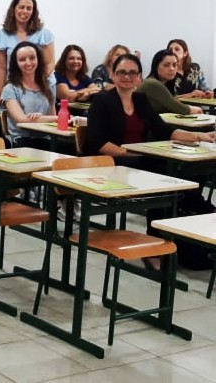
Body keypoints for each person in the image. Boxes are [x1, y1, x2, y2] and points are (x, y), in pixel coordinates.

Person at [85, 53, 215, 257]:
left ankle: (175, 234)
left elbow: (164, 130)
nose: (127, 77)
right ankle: (165, 238)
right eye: (122, 72)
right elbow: (97, 143)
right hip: (112, 162)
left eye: (132, 73)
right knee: (168, 178)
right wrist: (132, 152)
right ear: (112, 74)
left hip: (140, 159)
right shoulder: (102, 101)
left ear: (139, 77)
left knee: (181, 177)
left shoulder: (141, 99)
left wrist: (198, 135)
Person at [1, 42, 57, 148]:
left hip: (46, 140)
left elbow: (53, 118)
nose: (28, 63)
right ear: (16, 63)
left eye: (32, 58)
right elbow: (21, 119)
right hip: (21, 141)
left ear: (38, 60)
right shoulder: (10, 88)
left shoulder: (48, 87)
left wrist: (41, 118)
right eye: (22, 59)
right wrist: (53, 119)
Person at [0, 0, 55, 90]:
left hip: (43, 87)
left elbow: (50, 63)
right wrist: (2, 92)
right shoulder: (2, 35)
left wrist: (35, 83)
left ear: (33, 12)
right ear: (14, 9)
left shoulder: (44, 33)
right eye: (21, 7)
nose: (25, 11)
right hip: (15, 87)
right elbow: (1, 67)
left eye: (29, 8)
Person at [136, 50, 203, 116]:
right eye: (166, 65)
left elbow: (170, 100)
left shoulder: (160, 83)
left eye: (174, 65)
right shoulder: (152, 83)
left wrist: (188, 96)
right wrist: (196, 109)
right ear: (156, 66)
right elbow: (180, 108)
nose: (172, 69)